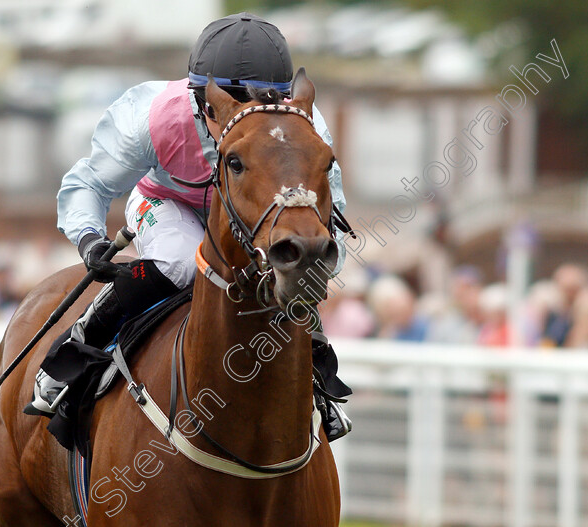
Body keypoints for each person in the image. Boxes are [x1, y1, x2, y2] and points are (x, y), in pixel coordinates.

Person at [26, 13, 352, 440]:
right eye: (227, 104)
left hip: (253, 219)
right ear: (201, 99)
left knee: (286, 270)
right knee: (181, 262)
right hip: (169, 203)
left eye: (263, 102)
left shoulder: (302, 131)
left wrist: (313, 266)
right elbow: (89, 183)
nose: (244, 117)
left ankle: (319, 382)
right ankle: (75, 350)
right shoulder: (151, 117)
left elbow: (332, 217)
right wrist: (89, 238)